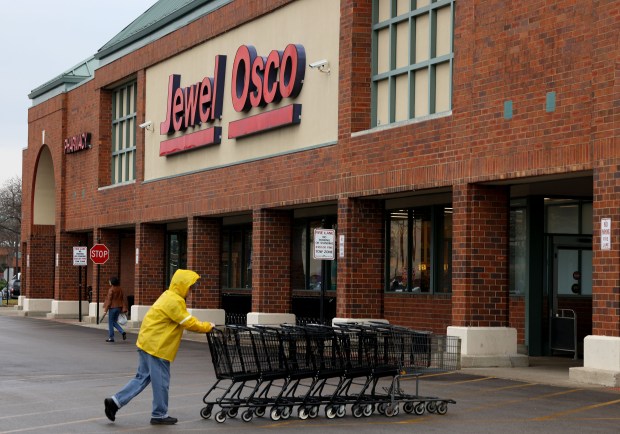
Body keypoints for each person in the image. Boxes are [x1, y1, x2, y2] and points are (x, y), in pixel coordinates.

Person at [104, 269, 214, 425]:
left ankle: (115, 402)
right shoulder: (175, 301)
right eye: (190, 287)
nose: (191, 291)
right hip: (157, 346)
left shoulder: (167, 295)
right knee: (161, 381)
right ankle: (159, 414)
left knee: (142, 377)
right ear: (182, 285)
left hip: (146, 341)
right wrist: (208, 326)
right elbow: (188, 322)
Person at [103, 277, 128, 343]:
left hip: (112, 307)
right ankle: (122, 332)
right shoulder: (120, 289)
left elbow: (109, 300)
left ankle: (111, 337)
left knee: (111, 323)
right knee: (114, 321)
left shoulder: (111, 289)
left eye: (110, 281)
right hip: (119, 307)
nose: (109, 282)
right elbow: (122, 298)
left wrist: (105, 310)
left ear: (112, 282)